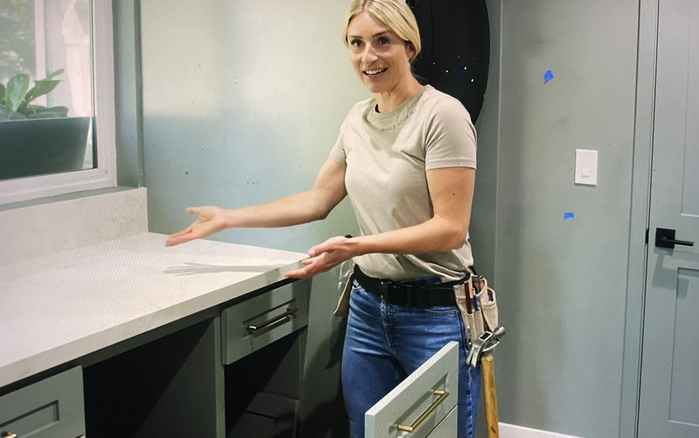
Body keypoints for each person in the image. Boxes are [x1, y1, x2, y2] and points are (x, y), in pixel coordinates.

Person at [165, 0, 480, 436]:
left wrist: (358, 246)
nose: (368, 56)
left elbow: (450, 228)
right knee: (366, 430)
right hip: (369, 307)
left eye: (382, 41)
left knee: (437, 432)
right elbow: (316, 200)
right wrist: (228, 217)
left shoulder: (441, 115)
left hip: (434, 310)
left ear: (409, 46)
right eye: (357, 43)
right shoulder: (357, 119)